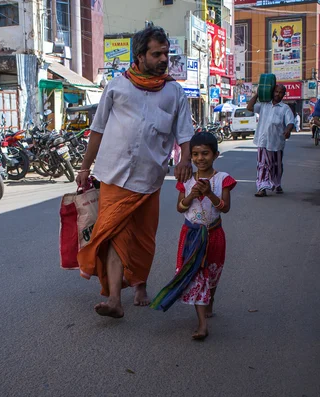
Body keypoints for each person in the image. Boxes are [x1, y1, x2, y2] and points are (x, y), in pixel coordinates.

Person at [75, 25, 194, 319]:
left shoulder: (174, 91)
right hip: (113, 174)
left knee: (143, 238)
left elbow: (184, 132)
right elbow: (98, 130)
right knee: (114, 235)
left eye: (166, 53)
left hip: (150, 178)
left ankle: (139, 283)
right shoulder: (117, 86)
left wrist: (185, 160)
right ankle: (115, 298)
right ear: (140, 56)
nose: (164, 59)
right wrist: (84, 167)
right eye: (157, 54)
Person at [150, 132, 237, 340]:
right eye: (196, 154)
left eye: (205, 153)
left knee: (212, 276)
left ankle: (210, 301)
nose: (200, 158)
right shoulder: (187, 180)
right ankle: (202, 325)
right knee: (197, 275)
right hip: (191, 235)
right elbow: (180, 208)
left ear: (215, 154)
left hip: (214, 236)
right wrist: (191, 195)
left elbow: (225, 208)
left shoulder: (222, 179)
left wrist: (209, 194)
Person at [247, 84, 294, 197]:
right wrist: (258, 93)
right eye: (276, 91)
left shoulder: (285, 108)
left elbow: (290, 122)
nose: (278, 94)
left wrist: (287, 130)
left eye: (280, 92)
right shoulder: (264, 105)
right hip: (262, 141)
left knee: (276, 165)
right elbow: (249, 107)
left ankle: (277, 184)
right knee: (262, 164)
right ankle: (262, 187)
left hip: (276, 141)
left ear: (284, 94)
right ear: (272, 92)